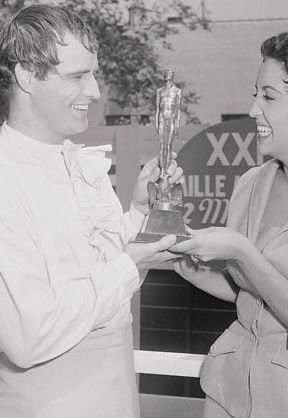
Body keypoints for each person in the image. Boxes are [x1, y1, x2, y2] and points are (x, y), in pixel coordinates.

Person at [0, 4, 182, 418]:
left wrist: (140, 215)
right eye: (78, 76)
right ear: (27, 76)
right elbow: (29, 336)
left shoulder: (80, 163)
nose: (96, 91)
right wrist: (129, 265)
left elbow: (103, 279)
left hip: (115, 397)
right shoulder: (4, 177)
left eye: (93, 74)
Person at [171, 32, 288, 418]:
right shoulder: (250, 184)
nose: (252, 110)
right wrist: (193, 270)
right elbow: (251, 297)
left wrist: (242, 253)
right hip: (226, 397)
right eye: (256, 94)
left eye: (268, 97)